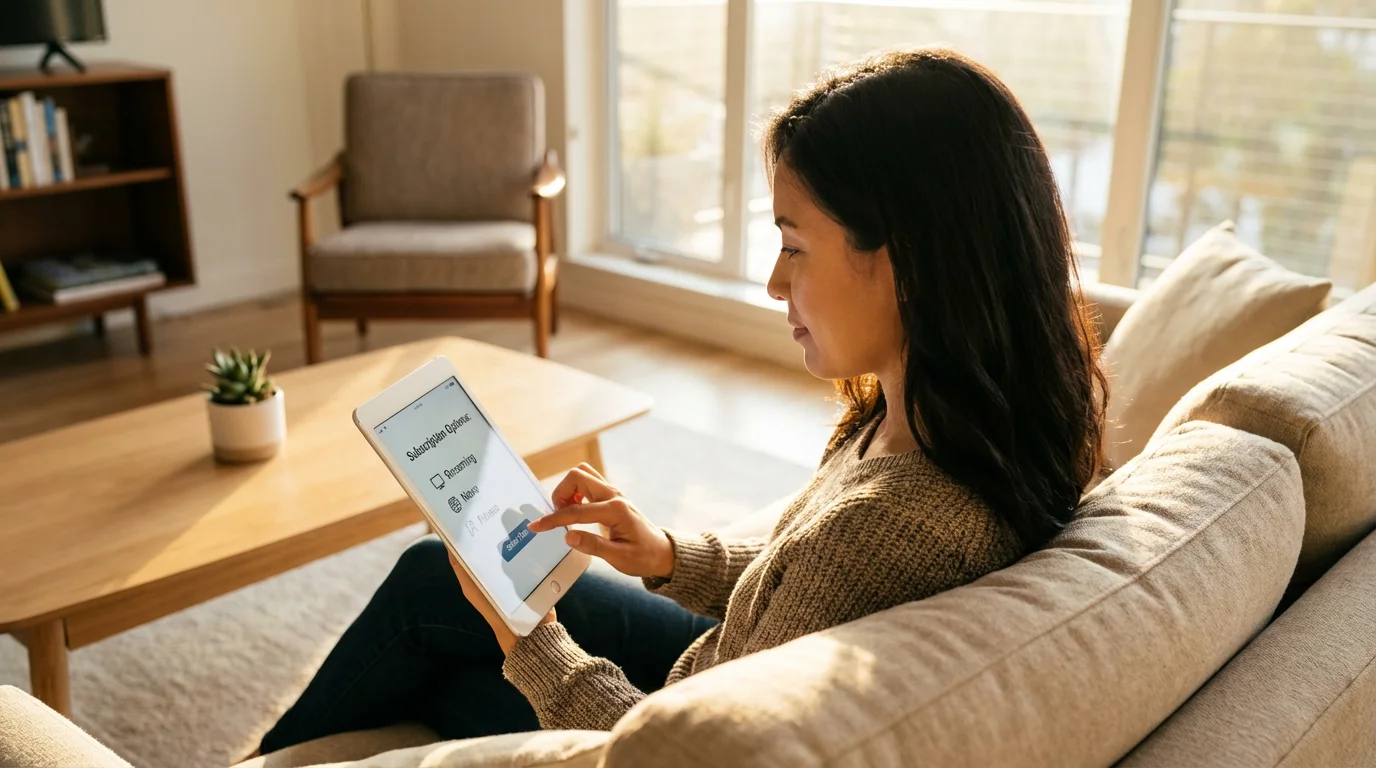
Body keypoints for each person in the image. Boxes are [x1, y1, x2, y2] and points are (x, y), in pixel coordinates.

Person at [255, 46, 1106, 752]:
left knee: (447, 614)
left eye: (794, 245)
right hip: (722, 666)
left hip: (680, 717)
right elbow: (792, 589)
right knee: (439, 584)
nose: (775, 282)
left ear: (908, 257)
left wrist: (529, 639)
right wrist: (665, 554)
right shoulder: (952, 418)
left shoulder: (891, 527)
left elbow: (668, 752)